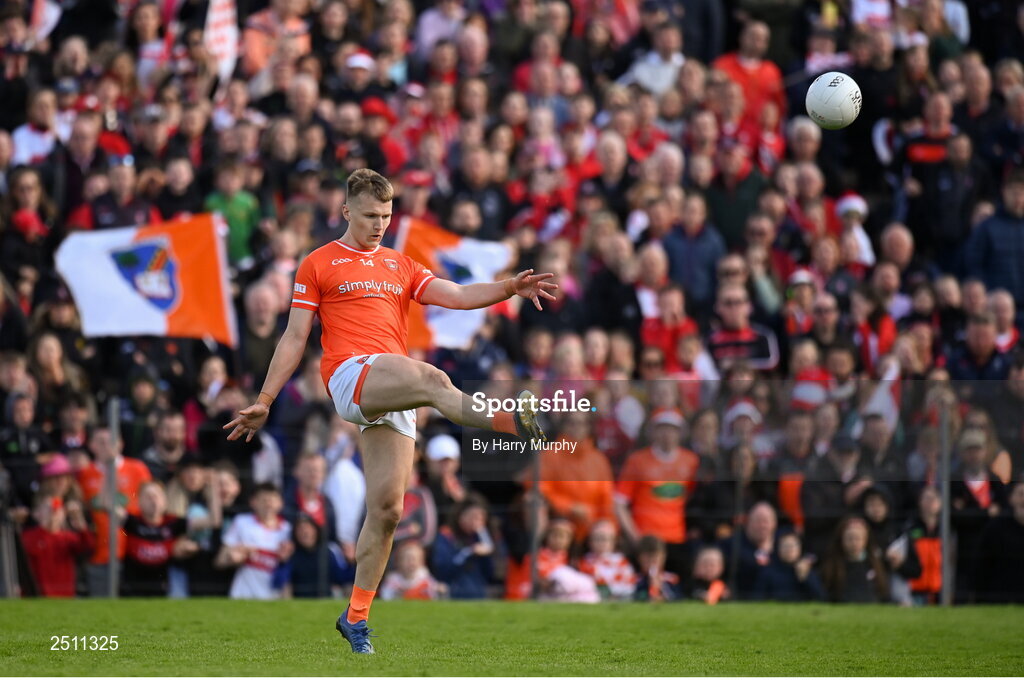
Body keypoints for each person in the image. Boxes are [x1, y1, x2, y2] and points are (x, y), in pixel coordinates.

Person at [223, 168, 554, 653]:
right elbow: (295, 337)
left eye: (386, 214)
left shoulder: (400, 264)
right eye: (370, 215)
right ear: (346, 211)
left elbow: (458, 295)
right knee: (434, 379)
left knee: (388, 511)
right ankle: (512, 419)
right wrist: (266, 400)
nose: (379, 223)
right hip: (351, 374)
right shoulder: (318, 263)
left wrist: (508, 287)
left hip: (389, 386)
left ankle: (355, 618)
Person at [214, 483, 294, 600]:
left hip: (273, 598)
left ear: (280, 503)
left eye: (272, 500)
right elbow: (219, 561)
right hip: (243, 596)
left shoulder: (287, 529)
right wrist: (232, 558)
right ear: (253, 502)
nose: (268, 504)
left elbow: (289, 569)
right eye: (264, 500)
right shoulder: (242, 522)